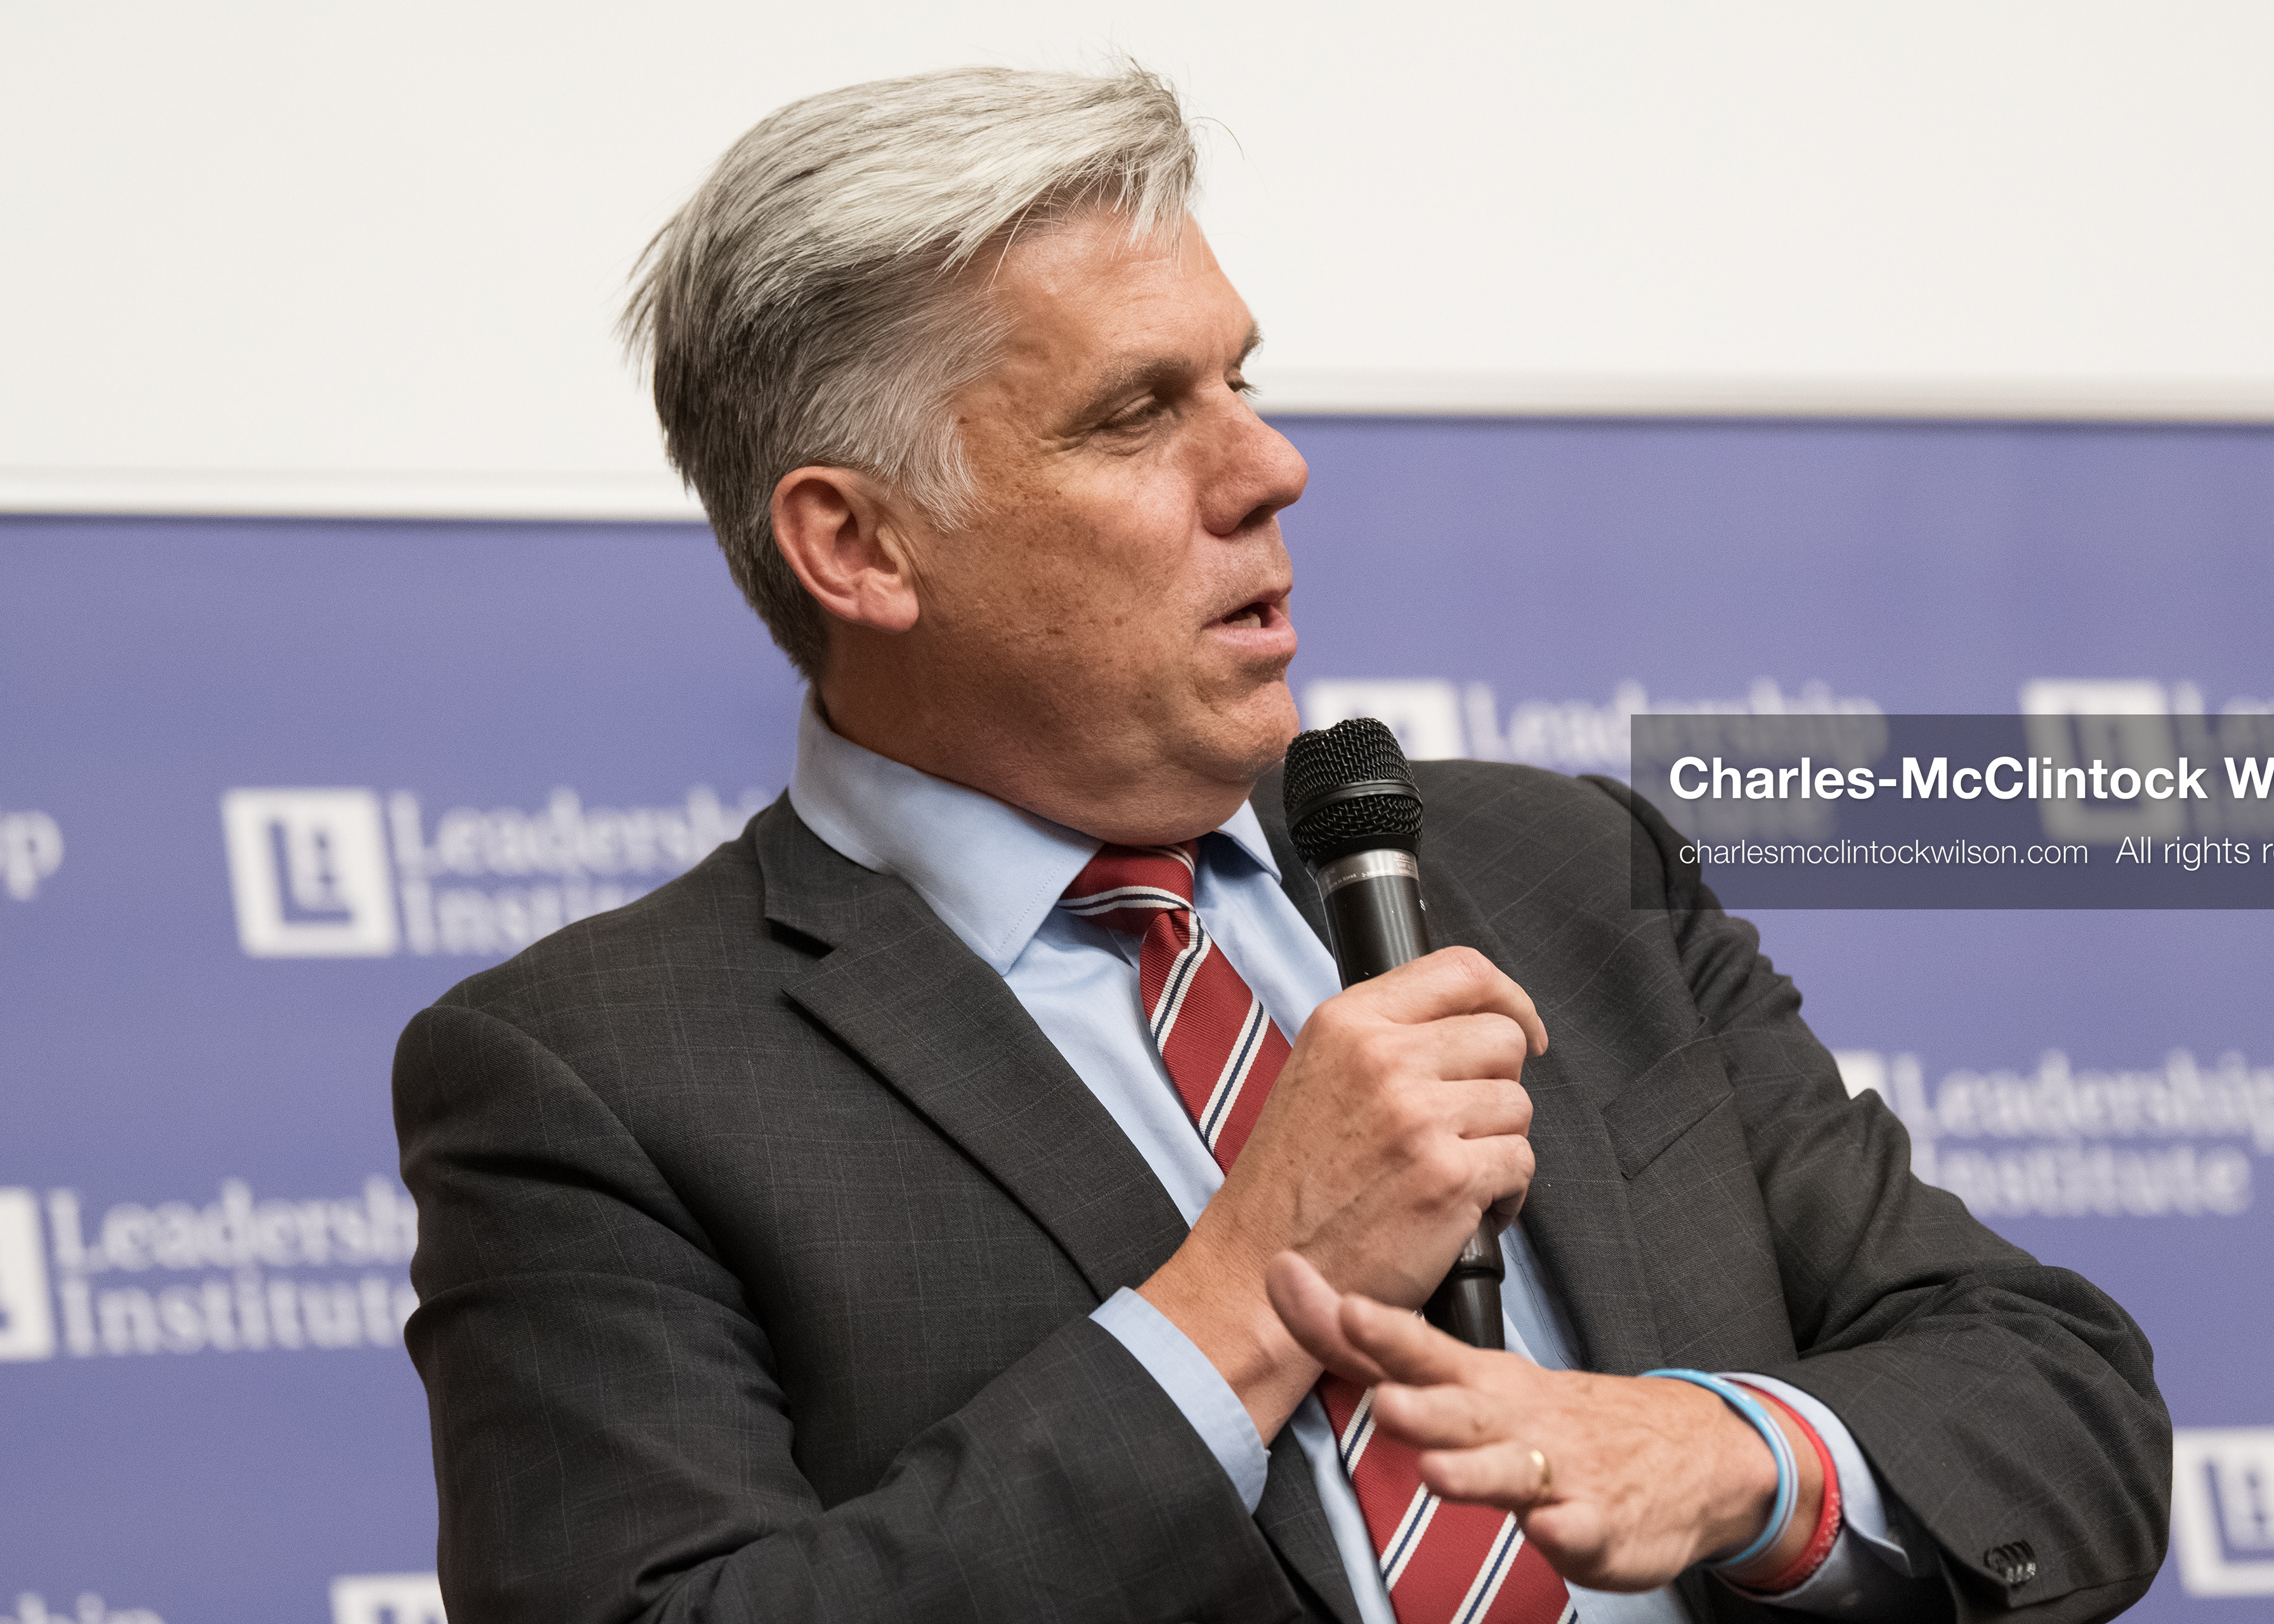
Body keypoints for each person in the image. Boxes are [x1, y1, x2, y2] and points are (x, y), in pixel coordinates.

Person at [393, 64, 2170, 1624]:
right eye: (1136, 413)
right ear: (859, 547)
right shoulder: (594, 1078)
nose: (1272, 466)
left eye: (1242, 380)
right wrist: (1241, 1294)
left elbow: (2059, 1400)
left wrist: (1731, 1456)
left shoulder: (1560, 873)